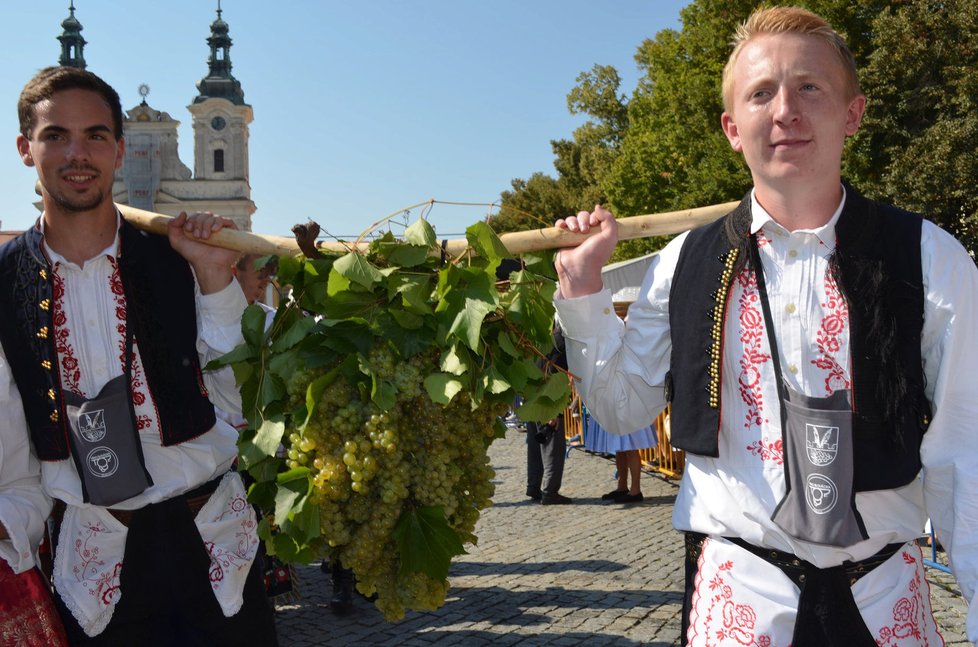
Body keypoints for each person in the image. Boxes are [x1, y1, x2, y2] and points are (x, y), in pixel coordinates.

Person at [553, 6, 978, 646]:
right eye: (761, 93)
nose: (786, 110)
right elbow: (621, 407)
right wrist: (584, 293)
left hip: (886, 596)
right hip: (739, 596)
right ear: (732, 126)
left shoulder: (929, 256)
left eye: (810, 86)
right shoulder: (683, 262)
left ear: (853, 113)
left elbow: (966, 448)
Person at [0, 66, 278, 644]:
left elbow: (244, 393)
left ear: (120, 149)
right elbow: (13, 451)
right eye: (56, 136)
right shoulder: (4, 283)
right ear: (27, 149)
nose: (78, 153)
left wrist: (212, 275)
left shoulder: (181, 258)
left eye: (96, 135)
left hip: (212, 540)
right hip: (94, 555)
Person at [525, 324, 572, 505]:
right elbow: (554, 375)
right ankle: (550, 491)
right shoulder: (561, 344)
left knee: (535, 446)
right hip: (547, 401)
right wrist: (555, 412)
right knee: (552, 448)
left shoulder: (542, 340)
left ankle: (534, 486)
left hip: (532, 399)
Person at [583, 412, 655, 504]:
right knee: (620, 446)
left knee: (631, 446)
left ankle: (635, 490)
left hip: (626, 407)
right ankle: (622, 487)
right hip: (614, 405)